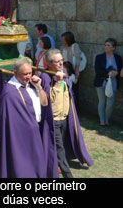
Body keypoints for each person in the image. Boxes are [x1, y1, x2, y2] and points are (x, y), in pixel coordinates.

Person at [40, 49, 93, 178]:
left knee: (61, 147)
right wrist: (58, 82)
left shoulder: (63, 71)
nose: (60, 64)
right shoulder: (45, 76)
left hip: (65, 118)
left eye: (62, 60)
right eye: (57, 61)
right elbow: (47, 100)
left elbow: (67, 94)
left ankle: (52, 168)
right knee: (59, 150)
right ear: (48, 63)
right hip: (54, 120)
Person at [0, 58, 48, 178]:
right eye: (25, 74)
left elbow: (44, 103)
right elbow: (9, 121)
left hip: (35, 131)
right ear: (15, 73)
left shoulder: (32, 85)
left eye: (30, 73)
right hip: (20, 136)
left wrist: (39, 87)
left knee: (37, 163)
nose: (28, 76)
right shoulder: (10, 93)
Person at [94, 38, 122, 126]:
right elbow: (97, 70)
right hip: (101, 82)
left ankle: (107, 119)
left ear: (113, 48)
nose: (106, 47)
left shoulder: (118, 58)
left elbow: (120, 69)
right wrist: (108, 73)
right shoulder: (99, 57)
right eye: (105, 45)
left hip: (113, 83)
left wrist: (116, 73)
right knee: (102, 101)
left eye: (108, 45)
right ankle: (102, 121)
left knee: (110, 103)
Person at [60, 30, 82, 113]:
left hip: (72, 71)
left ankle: (75, 110)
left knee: (74, 91)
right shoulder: (62, 47)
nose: (62, 41)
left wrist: (77, 71)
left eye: (64, 39)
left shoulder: (74, 46)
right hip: (64, 71)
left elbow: (78, 59)